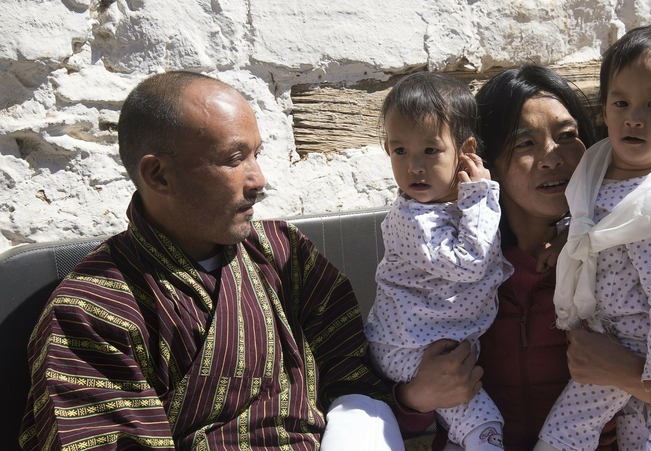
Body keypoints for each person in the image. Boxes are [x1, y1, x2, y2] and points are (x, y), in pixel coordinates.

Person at [18, 71, 405, 451]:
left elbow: (353, 375)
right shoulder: (92, 313)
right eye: (235, 159)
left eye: (257, 154)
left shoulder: (284, 254)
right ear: (158, 175)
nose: (258, 179)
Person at [396, 64, 651, 451]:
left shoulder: (623, 250)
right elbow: (382, 388)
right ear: (482, 158)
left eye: (567, 136)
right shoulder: (443, 264)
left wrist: (626, 373)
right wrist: (416, 398)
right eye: (525, 143)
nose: (552, 157)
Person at [536, 23, 651, 451]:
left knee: (566, 431)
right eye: (621, 102)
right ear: (605, 109)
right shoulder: (603, 167)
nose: (634, 117)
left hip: (635, 343)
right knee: (641, 431)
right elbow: (590, 227)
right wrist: (565, 239)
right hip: (614, 331)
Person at [364, 72, 514, 451]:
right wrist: (480, 194)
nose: (414, 165)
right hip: (411, 349)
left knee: (465, 429)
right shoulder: (412, 219)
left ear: (464, 152)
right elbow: (468, 263)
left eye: (430, 150)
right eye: (400, 151)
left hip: (434, 340)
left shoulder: (454, 209)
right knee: (484, 425)